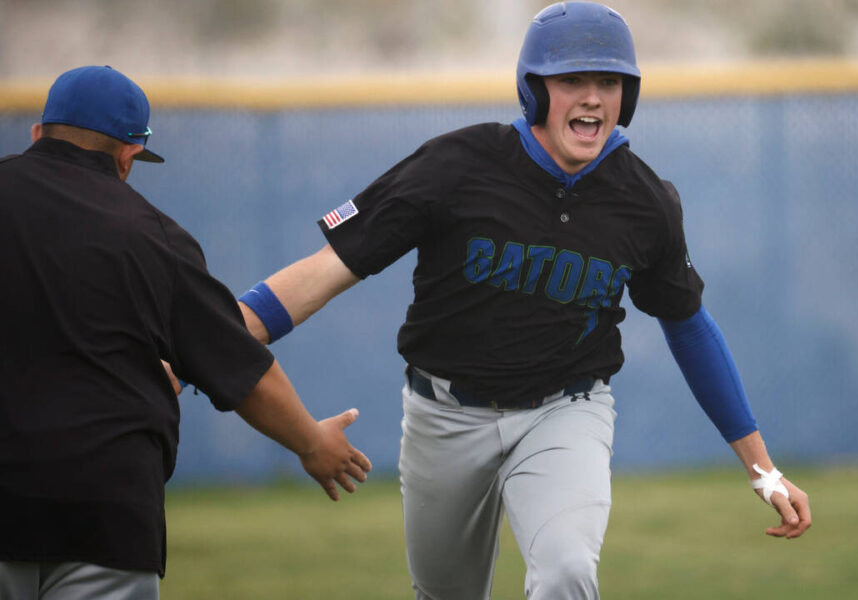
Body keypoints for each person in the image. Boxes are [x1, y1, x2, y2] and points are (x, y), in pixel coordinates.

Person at [238, 2, 812, 598]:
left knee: (567, 572)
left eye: (608, 82)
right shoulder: (456, 166)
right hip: (444, 417)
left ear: (627, 97)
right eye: (571, 80)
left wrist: (762, 469)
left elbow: (688, 328)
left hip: (563, 411)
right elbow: (329, 270)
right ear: (534, 91)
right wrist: (218, 335)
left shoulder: (645, 202)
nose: (592, 98)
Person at [0, 65, 372, 599]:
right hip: (104, 513)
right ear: (128, 156)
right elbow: (240, 369)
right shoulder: (153, 237)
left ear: (38, 133)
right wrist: (312, 443)